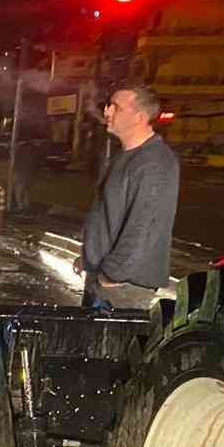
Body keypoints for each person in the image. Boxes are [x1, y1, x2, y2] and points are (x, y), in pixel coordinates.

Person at [76, 85, 180, 311]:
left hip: (125, 286)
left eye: (117, 108)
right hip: (104, 275)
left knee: (109, 347)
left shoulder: (154, 163)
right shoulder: (124, 156)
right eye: (108, 106)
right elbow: (108, 215)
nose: (107, 112)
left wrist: (112, 274)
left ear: (139, 118)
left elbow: (144, 225)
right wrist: (89, 257)